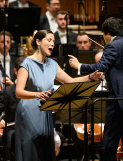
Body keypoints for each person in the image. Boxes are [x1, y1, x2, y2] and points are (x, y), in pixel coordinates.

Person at [15, 30, 102, 161]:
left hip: (46, 111)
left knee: (45, 151)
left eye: (53, 41)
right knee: (32, 151)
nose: (52, 44)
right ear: (38, 42)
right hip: (29, 112)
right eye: (49, 40)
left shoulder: (52, 64)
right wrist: (36, 94)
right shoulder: (26, 64)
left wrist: (90, 77)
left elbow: (70, 81)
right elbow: (19, 92)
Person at [69, 17, 123, 161]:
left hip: (118, 100)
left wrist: (79, 65)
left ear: (106, 33)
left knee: (109, 144)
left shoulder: (113, 45)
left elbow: (100, 66)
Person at [0, 56, 24, 159]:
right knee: (15, 136)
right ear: (15, 71)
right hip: (13, 129)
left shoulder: (35, 90)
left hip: (31, 128)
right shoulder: (7, 92)